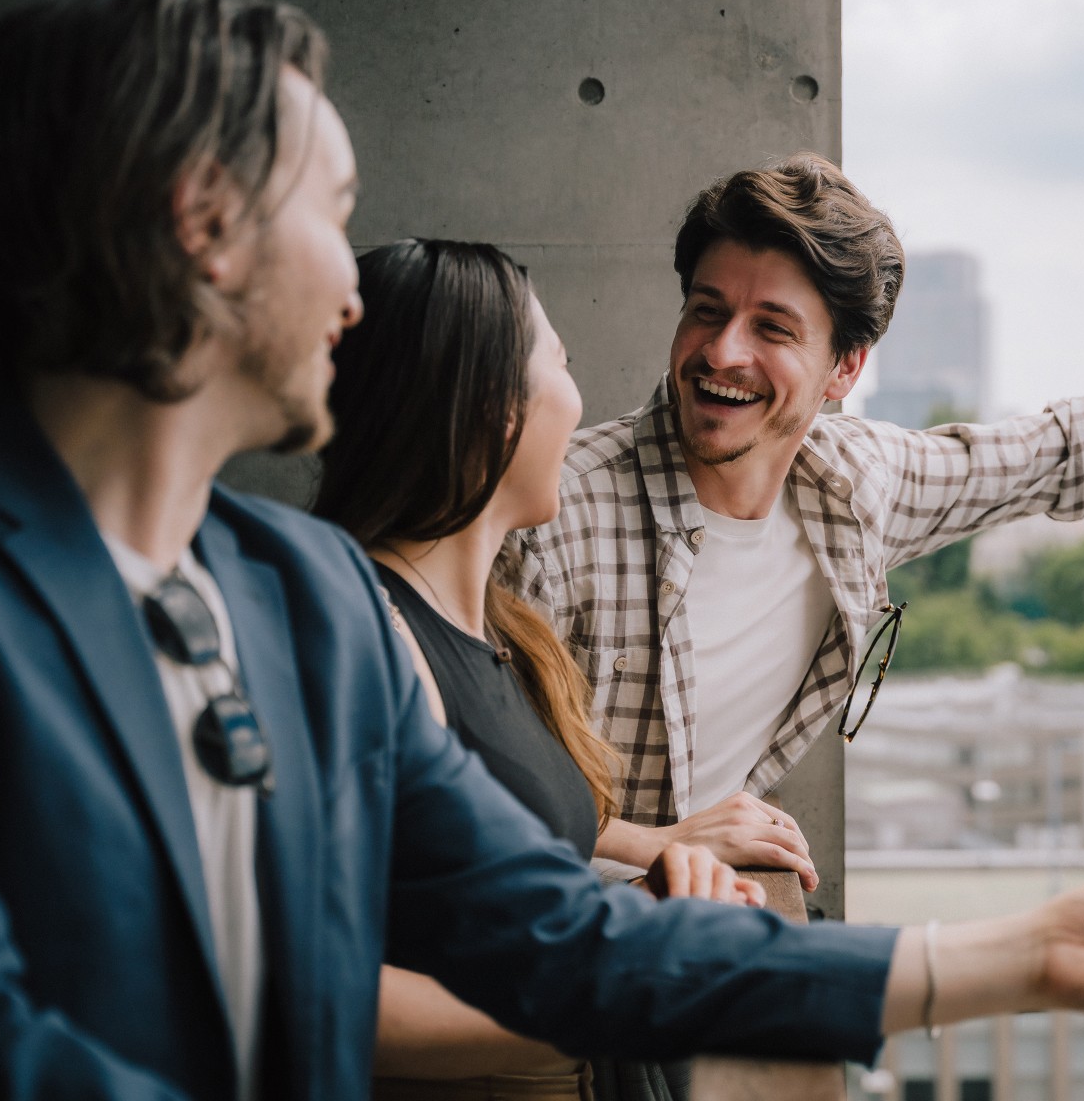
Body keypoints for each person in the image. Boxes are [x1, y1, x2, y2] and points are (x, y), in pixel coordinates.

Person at [0, 0, 1084, 1101]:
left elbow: (565, 939)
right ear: (205, 225)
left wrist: (1007, 958)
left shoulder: (302, 596)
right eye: (335, 212)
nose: (358, 294)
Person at [501, 152, 1084, 849]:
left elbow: (1062, 453)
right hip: (517, 968)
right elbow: (456, 778)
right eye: (706, 310)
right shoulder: (554, 517)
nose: (721, 351)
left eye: (772, 328)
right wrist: (660, 844)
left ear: (845, 369)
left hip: (654, 963)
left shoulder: (853, 486)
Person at [313, 238, 761, 1099]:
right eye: (559, 361)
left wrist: (654, 891)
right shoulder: (374, 638)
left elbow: (490, 879)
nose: (579, 397)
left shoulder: (496, 634)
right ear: (493, 405)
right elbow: (337, 995)